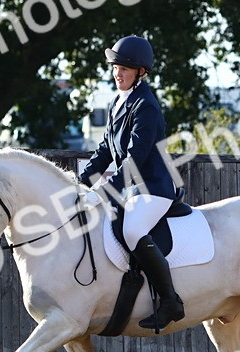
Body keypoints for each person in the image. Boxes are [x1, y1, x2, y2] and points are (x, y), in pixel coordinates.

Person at [79, 35, 185, 330]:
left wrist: (104, 189)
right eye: (116, 66)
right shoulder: (117, 102)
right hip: (131, 189)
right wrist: (80, 182)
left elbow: (134, 159)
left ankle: (170, 301)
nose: (118, 72)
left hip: (153, 187)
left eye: (125, 68)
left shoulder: (146, 106)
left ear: (141, 72)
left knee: (133, 228)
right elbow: (104, 151)